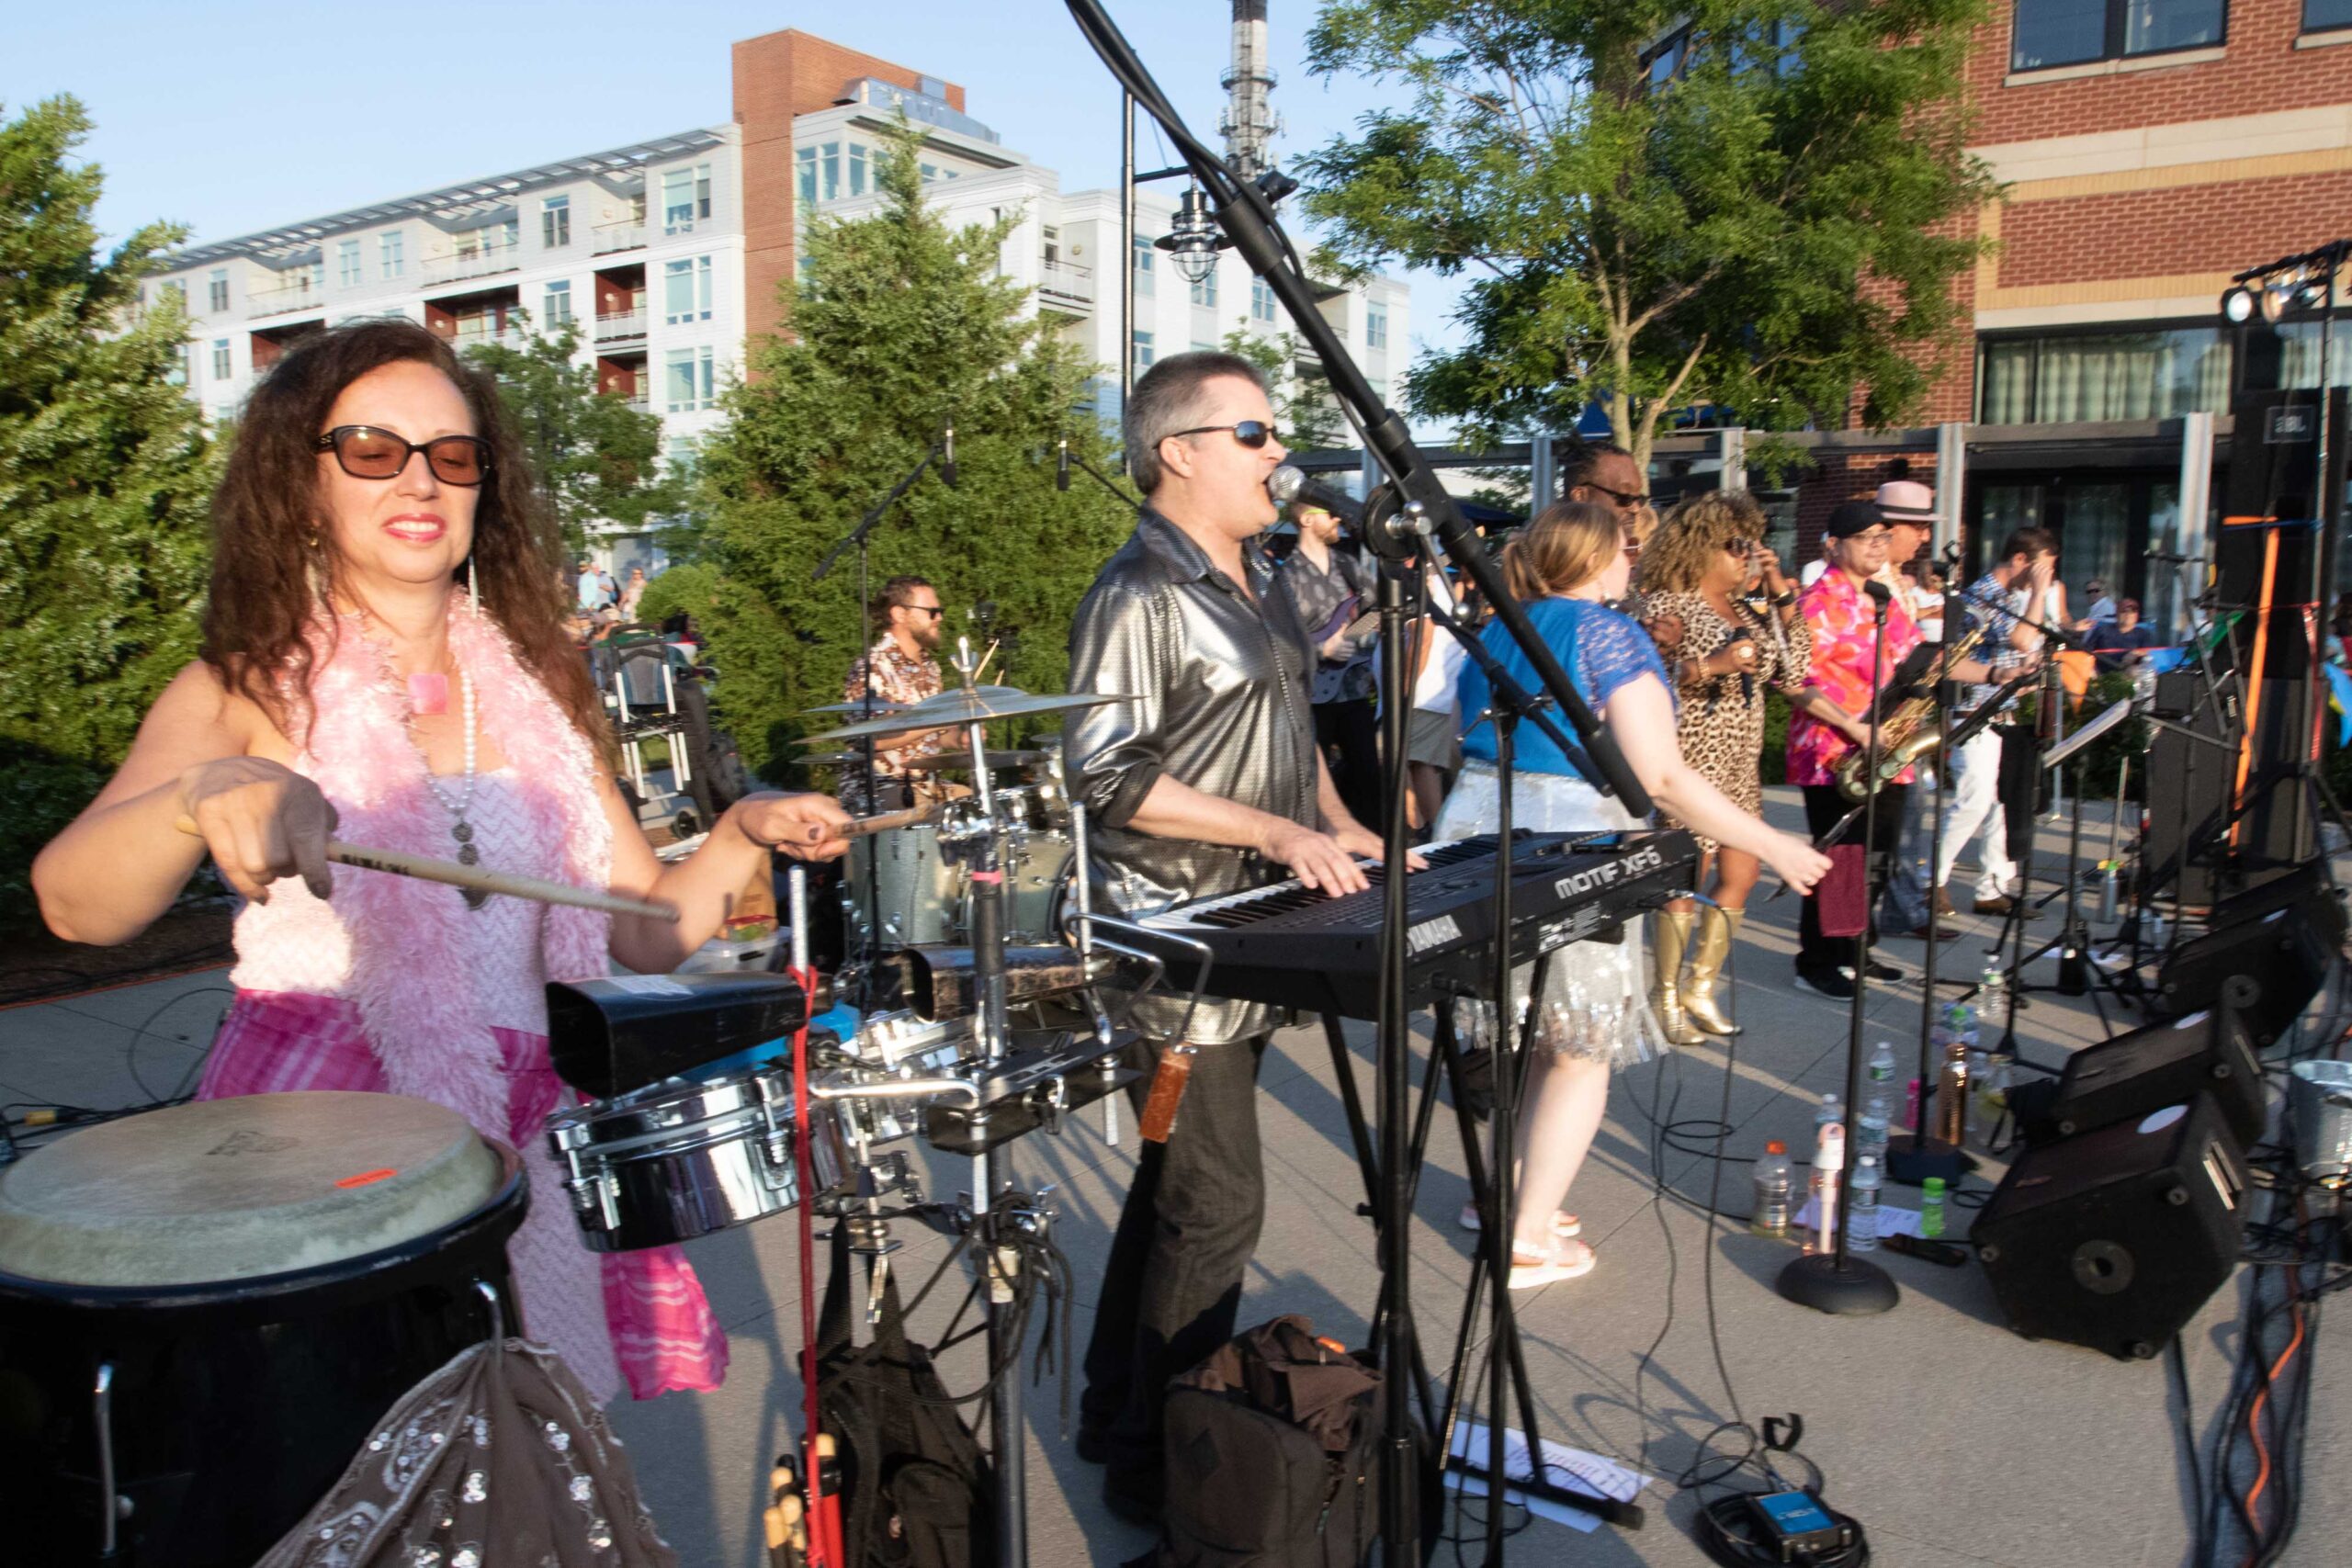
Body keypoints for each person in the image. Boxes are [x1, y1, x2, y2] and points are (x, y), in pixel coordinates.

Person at [30, 320, 854, 1406]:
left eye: (453, 456)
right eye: (373, 449)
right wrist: (202, 794)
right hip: (321, 1162)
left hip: (525, 1145)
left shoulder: (542, 693)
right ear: (301, 481)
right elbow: (74, 905)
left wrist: (742, 832)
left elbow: (642, 924)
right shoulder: (244, 685)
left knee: (520, 1461)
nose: (420, 480)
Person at [1064, 351, 1390, 1527]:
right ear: (1179, 452)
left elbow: (1284, 724)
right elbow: (1103, 772)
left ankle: (1117, 1416)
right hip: (1171, 961)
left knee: (1167, 1188)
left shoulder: (1249, 576)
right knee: (1217, 1206)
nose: (1277, 455)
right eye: (1253, 434)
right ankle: (1164, 1462)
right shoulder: (1136, 592)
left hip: (1246, 940)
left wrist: (1345, 828)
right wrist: (1265, 831)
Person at [1438, 502, 1826, 1287]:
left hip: (1478, 826)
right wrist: (1774, 840)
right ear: (1599, 555)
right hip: (1568, 839)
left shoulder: (1497, 624)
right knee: (1581, 1046)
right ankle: (1528, 1235)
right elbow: (1662, 778)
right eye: (1627, 546)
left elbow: (1456, 731)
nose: (1634, 559)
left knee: (1527, 1029)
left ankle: (1512, 1196)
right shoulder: (1608, 631)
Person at [1634, 491, 1811, 1042]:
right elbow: (1647, 677)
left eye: (1753, 545)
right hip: (1691, 756)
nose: (1748, 555)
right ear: (1704, 545)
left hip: (1739, 763)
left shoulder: (1746, 609)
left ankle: (1699, 987)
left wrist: (1780, 589)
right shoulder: (1667, 602)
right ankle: (1663, 996)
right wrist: (1713, 665)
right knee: (1691, 874)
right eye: (1738, 545)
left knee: (1743, 872)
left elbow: (1797, 670)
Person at [1785, 502, 1925, 998]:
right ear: (1834, 545)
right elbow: (1793, 682)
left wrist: (1996, 674)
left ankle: (1855, 952)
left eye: (1882, 537)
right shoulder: (1815, 604)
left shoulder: (1882, 597)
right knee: (1837, 857)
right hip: (1833, 752)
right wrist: (1853, 726)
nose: (1876, 545)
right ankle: (1817, 961)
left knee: (1875, 859)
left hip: (1887, 747)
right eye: (1864, 536)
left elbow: (1916, 661)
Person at [1926, 527, 2054, 919]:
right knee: (1974, 801)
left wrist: (2028, 670)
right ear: (2020, 560)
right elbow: (2019, 639)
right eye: (2042, 569)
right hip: (1973, 714)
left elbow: (2020, 649)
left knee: (2003, 804)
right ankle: (1931, 881)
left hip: (2002, 714)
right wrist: (2038, 593)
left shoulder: (2011, 598)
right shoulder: (1984, 595)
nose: (2045, 579)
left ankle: (1992, 888)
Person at [1282, 499, 1382, 830]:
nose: (1338, 518)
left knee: (1369, 775)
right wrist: (1321, 649)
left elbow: (1379, 609)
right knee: (1310, 779)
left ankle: (1374, 852)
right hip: (1310, 696)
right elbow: (1276, 638)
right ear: (1307, 520)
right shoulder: (1287, 576)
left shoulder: (1347, 566)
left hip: (1352, 689)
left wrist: (1360, 632)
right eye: (1329, 514)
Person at [839, 574, 949, 814]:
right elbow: (873, 739)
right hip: (881, 788)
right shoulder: (872, 668)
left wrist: (963, 736)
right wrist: (933, 724)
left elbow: (937, 737)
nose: (939, 617)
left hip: (928, 785)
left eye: (940, 610)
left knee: (982, 809)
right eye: (932, 611)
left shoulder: (931, 668)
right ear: (899, 614)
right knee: (934, 814)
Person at [2084, 597, 2159, 671]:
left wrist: (2135, 653)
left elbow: (2148, 652)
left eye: (2133, 611)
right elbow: (2086, 652)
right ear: (2117, 613)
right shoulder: (2101, 630)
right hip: (2101, 671)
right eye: (2124, 611)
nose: (2128, 614)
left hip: (2129, 672)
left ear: (2137, 615)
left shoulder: (2143, 633)